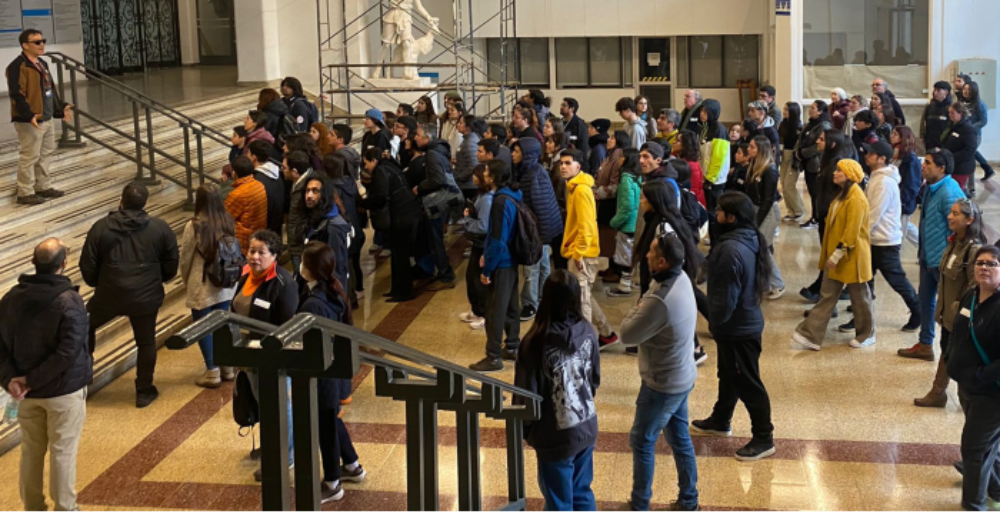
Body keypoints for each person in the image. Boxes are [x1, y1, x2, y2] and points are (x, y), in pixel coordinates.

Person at [0, 238, 90, 513]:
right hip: (63, 391)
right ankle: (65, 507)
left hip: (25, 394)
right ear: (64, 263)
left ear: (32, 262)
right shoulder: (70, 300)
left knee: (31, 451)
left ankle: (34, 507)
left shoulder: (11, 298)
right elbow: (68, 351)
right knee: (62, 452)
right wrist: (31, 380)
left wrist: (12, 380)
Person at [692, 192, 776, 462]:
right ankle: (721, 418)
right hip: (743, 322)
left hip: (739, 327)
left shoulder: (730, 249)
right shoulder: (747, 238)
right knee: (729, 374)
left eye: (719, 212)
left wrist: (716, 321)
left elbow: (725, 297)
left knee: (747, 381)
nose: (715, 216)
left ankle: (764, 437)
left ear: (731, 217)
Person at [80, 182, 179, 408]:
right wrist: (155, 281)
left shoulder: (100, 227)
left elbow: (87, 265)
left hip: (108, 295)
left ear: (121, 201)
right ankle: (143, 391)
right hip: (145, 297)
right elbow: (171, 265)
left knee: (84, 326)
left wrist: (100, 283)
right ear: (145, 203)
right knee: (145, 342)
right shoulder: (160, 228)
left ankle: (83, 378)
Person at [620, 233, 699, 513]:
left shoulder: (660, 299)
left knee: (641, 441)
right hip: (682, 376)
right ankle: (689, 501)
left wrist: (639, 307)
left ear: (663, 262)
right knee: (679, 439)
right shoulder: (680, 278)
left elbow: (626, 334)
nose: (646, 255)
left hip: (662, 384)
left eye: (652, 252)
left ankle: (639, 505)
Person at [513, 270, 599, 512]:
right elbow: (594, 379)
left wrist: (526, 429)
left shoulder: (535, 342)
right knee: (582, 493)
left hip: (555, 436)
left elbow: (526, 394)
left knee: (559, 502)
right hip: (586, 424)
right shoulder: (588, 331)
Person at [297, 242, 367, 503]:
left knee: (324, 426)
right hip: (334, 372)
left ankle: (332, 483)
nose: (300, 267)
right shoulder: (333, 290)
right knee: (332, 420)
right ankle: (351, 465)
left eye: (303, 263)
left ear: (311, 269)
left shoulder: (314, 304)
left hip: (322, 374)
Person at [236, 230, 299, 482]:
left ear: (274, 255)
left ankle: (285, 455)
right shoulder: (244, 276)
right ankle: (271, 443)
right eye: (252, 251)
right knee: (264, 403)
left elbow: (288, 325)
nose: (255, 257)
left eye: (262, 252)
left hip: (272, 357)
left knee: (279, 406)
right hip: (250, 355)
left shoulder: (283, 283)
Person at [793, 160, 876, 351]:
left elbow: (851, 232)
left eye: (839, 170)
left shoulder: (856, 198)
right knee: (827, 295)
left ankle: (867, 334)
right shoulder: (842, 195)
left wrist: (838, 253)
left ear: (849, 175)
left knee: (860, 297)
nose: (835, 173)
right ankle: (810, 335)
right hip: (837, 255)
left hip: (851, 257)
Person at [842, 141, 921, 333]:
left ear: (881, 159)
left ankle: (918, 310)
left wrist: (856, 236)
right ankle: (861, 317)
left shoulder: (884, 182)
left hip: (884, 241)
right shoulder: (876, 177)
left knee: (896, 279)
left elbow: (873, 215)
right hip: (873, 239)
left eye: (871, 154)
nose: (866, 156)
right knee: (864, 279)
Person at [900, 149, 967, 361]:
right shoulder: (931, 187)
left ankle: (955, 353)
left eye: (928, 163)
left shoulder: (950, 192)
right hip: (928, 257)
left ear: (941, 168)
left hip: (943, 261)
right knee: (926, 301)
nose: (923, 166)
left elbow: (962, 227)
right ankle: (925, 344)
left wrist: (951, 257)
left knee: (949, 309)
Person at [947, 245, 1000, 513]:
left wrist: (980, 377)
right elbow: (958, 332)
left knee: (975, 448)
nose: (984, 267)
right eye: (981, 263)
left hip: (991, 393)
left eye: (992, 264)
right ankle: (997, 487)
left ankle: (974, 505)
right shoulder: (971, 296)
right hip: (967, 385)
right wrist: (950, 359)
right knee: (988, 444)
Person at [916, 199, 983, 408]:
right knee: (947, 351)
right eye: (951, 212)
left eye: (955, 214)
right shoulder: (954, 243)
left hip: (960, 319)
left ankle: (966, 399)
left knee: (959, 358)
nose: (949, 217)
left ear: (969, 220)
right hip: (948, 317)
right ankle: (938, 393)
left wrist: (957, 312)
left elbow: (975, 288)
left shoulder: (974, 251)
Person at [180, 185, 239, 389]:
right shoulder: (228, 220)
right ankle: (228, 367)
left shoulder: (194, 225)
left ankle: (212, 370)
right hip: (225, 282)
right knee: (222, 324)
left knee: (203, 327)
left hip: (202, 282)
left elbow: (186, 256)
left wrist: (185, 279)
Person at [6, 29, 72, 205]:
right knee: (30, 156)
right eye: (37, 42)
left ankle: (42, 186)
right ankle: (25, 192)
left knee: (45, 154)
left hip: (47, 117)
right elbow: (16, 94)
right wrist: (28, 115)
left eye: (43, 40)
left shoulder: (42, 63)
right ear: (25, 45)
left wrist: (61, 107)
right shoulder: (17, 66)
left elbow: (49, 89)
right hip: (30, 120)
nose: (42, 44)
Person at [561, 149, 618, 348]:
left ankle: (586, 343)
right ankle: (606, 333)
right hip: (578, 250)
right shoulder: (574, 187)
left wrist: (579, 252)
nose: (563, 166)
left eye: (568, 163)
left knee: (581, 299)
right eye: (562, 163)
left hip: (582, 253)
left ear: (579, 166)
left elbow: (587, 224)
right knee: (583, 294)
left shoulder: (581, 190)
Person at [470, 160, 522, 373]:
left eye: (487, 172)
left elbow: (498, 238)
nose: (484, 174)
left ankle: (493, 356)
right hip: (512, 259)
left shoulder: (499, 202)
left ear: (491, 178)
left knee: (494, 310)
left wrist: (487, 269)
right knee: (510, 306)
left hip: (501, 262)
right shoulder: (513, 194)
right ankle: (512, 346)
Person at [360, 148, 421, 302]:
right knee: (398, 255)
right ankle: (396, 289)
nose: (366, 167)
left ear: (373, 160)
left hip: (401, 216)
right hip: (408, 213)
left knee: (401, 256)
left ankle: (404, 292)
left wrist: (361, 203)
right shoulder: (389, 165)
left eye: (366, 163)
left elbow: (381, 197)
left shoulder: (380, 170)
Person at [513, 138, 563, 321]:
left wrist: (537, 236)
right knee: (542, 266)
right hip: (542, 230)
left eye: (517, 151)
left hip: (538, 231)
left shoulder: (532, 174)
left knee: (531, 269)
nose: (513, 154)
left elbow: (540, 207)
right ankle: (543, 299)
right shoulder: (532, 170)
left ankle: (530, 304)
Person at [412, 123, 458, 290]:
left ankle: (446, 275)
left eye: (417, 135)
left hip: (436, 203)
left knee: (435, 239)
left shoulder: (432, 154)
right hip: (441, 201)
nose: (415, 137)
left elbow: (437, 180)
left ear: (427, 138)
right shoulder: (438, 150)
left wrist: (420, 187)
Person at [746, 136, 785, 300]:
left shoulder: (770, 170)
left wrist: (757, 221)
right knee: (762, 249)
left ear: (761, 150)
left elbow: (768, 200)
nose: (749, 149)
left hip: (768, 212)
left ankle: (778, 284)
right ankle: (766, 283)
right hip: (757, 209)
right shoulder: (754, 166)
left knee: (763, 248)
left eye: (752, 147)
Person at [459, 165, 494, 330]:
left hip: (483, 244)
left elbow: (483, 226)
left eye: (476, 174)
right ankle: (476, 309)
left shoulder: (487, 199)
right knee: (471, 278)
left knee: (478, 280)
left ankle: (484, 314)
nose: (473, 177)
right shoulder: (481, 195)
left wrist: (467, 220)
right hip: (478, 244)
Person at [303, 176, 353, 290]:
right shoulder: (317, 219)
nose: (309, 195)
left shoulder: (333, 227)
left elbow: (336, 268)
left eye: (315, 191)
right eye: (307, 190)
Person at [606, 148, 642, 297]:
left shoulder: (626, 179)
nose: (619, 159)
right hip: (634, 223)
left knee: (625, 257)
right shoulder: (636, 176)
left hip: (627, 224)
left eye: (622, 156)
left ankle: (624, 286)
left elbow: (627, 205)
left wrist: (614, 222)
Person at [794, 100, 833, 230]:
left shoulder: (824, 126)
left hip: (816, 164)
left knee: (817, 193)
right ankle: (815, 216)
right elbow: (802, 139)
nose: (810, 110)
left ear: (820, 111)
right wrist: (798, 152)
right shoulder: (810, 124)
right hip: (807, 163)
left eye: (813, 108)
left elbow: (818, 147)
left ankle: (817, 218)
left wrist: (803, 153)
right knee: (812, 192)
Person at [284, 150, 321, 273]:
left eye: (284, 168)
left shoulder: (307, 188)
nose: (281, 170)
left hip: (300, 244)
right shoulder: (298, 183)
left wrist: (301, 236)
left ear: (294, 172)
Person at [700, 99, 731, 243]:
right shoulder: (706, 128)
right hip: (706, 178)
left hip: (715, 180)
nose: (702, 114)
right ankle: (713, 239)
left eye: (705, 111)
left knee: (715, 213)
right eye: (701, 111)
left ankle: (717, 241)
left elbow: (718, 158)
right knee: (710, 212)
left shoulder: (719, 129)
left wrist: (710, 179)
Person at [225, 156, 269, 256]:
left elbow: (225, 219)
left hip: (243, 242)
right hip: (258, 234)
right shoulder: (259, 185)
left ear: (234, 173)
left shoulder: (237, 194)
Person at [246, 141, 285, 239]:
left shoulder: (256, 180)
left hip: (263, 232)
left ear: (254, 157)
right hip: (276, 229)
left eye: (248, 153)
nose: (246, 155)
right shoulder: (277, 174)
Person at [892, 126, 922, 245]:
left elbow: (912, 185)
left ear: (903, 138)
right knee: (906, 227)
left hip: (902, 202)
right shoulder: (894, 154)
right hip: (894, 200)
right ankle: (922, 247)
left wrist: (901, 201)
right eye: (892, 133)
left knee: (899, 234)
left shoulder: (910, 159)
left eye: (895, 134)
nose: (891, 136)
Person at [941, 101, 980, 193]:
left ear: (960, 113)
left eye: (952, 113)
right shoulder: (954, 126)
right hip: (952, 165)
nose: (950, 115)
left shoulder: (967, 129)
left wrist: (951, 158)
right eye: (949, 113)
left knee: (956, 192)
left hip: (961, 167)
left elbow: (969, 150)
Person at [963, 81, 996, 184]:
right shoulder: (962, 103)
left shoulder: (980, 104)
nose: (966, 92)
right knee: (971, 153)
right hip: (963, 134)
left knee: (971, 153)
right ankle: (988, 169)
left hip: (974, 135)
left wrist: (971, 128)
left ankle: (972, 185)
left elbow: (983, 120)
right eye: (965, 89)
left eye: (968, 90)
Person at [779, 102, 805, 221]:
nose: (784, 112)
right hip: (784, 154)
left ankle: (799, 210)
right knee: (783, 184)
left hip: (794, 157)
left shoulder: (799, 127)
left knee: (789, 185)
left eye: (787, 110)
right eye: (784, 109)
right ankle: (791, 210)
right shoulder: (782, 124)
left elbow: (800, 144)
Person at [456, 115, 484, 200]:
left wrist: (459, 177)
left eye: (460, 123)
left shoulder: (470, 143)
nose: (457, 125)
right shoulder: (468, 140)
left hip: (469, 186)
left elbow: (473, 165)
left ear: (467, 128)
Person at [921, 81, 955, 152]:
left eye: (938, 90)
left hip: (944, 142)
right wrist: (922, 135)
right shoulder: (929, 106)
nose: (935, 92)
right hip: (929, 140)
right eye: (935, 90)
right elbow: (923, 121)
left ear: (946, 92)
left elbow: (952, 125)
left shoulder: (951, 108)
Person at [561, 98, 591, 166]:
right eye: (561, 105)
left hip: (575, 161)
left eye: (564, 105)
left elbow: (583, 148)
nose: (561, 107)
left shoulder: (580, 125)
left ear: (572, 109)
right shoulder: (560, 122)